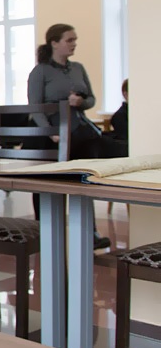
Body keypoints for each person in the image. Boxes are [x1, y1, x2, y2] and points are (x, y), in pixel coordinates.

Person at [27, 23, 111, 249]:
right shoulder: (41, 71)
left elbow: (92, 99)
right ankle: (43, 232)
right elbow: (35, 106)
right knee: (46, 185)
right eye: (69, 40)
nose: (74, 44)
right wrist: (51, 134)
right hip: (51, 135)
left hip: (79, 133)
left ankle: (89, 233)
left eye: (75, 40)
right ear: (54, 43)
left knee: (84, 181)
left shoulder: (78, 68)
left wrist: (81, 102)